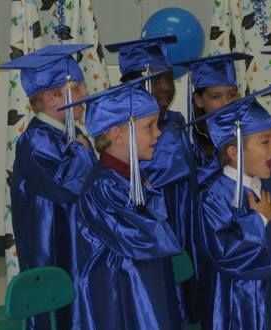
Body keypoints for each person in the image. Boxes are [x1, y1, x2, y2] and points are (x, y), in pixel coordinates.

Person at [62, 72, 182, 329]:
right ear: (117, 134)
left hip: (139, 281)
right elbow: (143, 237)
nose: (158, 133)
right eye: (149, 126)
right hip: (117, 290)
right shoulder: (104, 185)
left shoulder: (130, 176)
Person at [0, 44, 97, 329]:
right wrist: (83, 150)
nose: (84, 94)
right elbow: (66, 185)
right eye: (76, 89)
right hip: (50, 238)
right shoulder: (36, 140)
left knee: (77, 293)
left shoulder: (70, 133)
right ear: (53, 97)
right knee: (55, 302)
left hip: (72, 234)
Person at [106, 36, 199, 325]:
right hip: (157, 222)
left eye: (168, 78)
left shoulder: (175, 120)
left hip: (184, 216)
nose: (165, 88)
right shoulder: (138, 132)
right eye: (154, 80)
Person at [193, 87, 271, 330]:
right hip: (238, 306)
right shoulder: (214, 196)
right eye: (265, 141)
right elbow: (222, 253)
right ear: (234, 152)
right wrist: (257, 221)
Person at [176, 53, 253, 186]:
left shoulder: (251, 132)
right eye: (216, 97)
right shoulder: (191, 143)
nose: (226, 103)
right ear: (198, 100)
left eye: (232, 94)